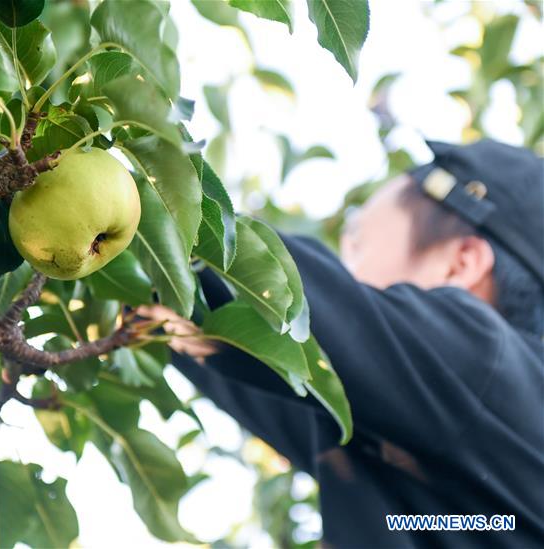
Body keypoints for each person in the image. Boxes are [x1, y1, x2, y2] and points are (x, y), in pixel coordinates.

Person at [165, 139, 544, 548]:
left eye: (357, 248)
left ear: (460, 265)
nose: (346, 278)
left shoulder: (485, 360)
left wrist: (151, 203)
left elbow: (292, 309)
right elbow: (246, 349)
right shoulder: (405, 441)